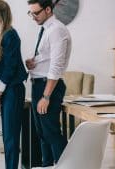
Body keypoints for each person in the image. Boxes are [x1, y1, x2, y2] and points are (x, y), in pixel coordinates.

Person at [25, 0, 72, 167]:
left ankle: (66, 166)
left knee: (51, 133)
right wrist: (34, 62)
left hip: (48, 87)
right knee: (43, 134)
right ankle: (47, 166)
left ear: (48, 9)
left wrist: (46, 96)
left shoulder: (57, 30)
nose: (33, 17)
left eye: (36, 13)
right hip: (39, 85)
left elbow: (56, 67)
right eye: (30, 13)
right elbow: (48, 58)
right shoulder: (47, 29)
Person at [0, 0, 28, 169]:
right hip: (6, 86)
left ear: (2, 19)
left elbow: (10, 66)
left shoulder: (10, 35)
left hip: (14, 88)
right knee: (8, 135)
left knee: (11, 135)